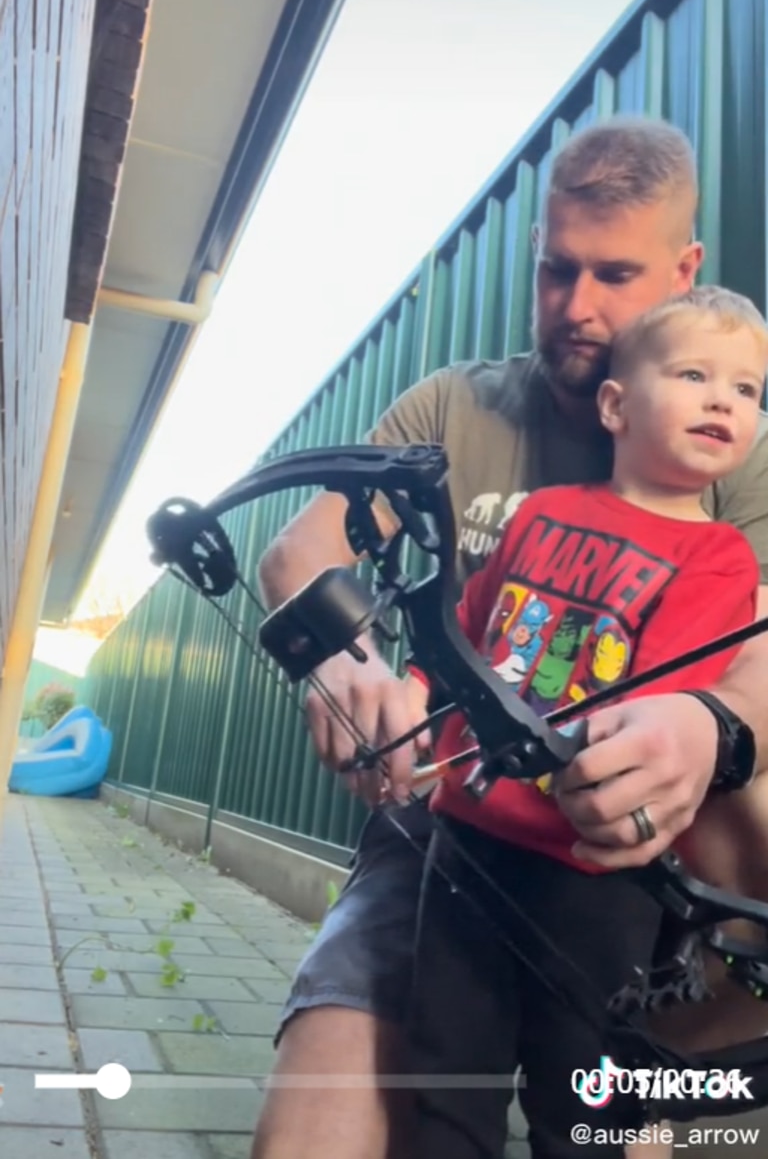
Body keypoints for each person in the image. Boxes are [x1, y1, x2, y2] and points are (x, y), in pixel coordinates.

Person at [250, 116, 768, 1159]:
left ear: (685, 266)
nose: (577, 308)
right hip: (453, 840)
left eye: (616, 275)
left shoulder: (731, 440)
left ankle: (670, 1105)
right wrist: (352, 666)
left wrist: (711, 725)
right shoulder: (455, 406)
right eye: (555, 271)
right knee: (316, 1134)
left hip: (661, 861)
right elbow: (298, 555)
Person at [402, 284, 768, 1159]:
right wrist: (419, 689)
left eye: (749, 390)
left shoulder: (723, 558)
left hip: (594, 873)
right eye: (693, 373)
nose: (725, 400)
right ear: (615, 403)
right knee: (443, 1080)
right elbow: (463, 632)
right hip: (465, 843)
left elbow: (657, 707)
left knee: (586, 1108)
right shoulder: (540, 512)